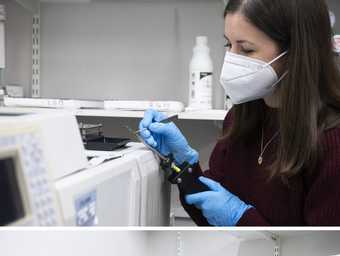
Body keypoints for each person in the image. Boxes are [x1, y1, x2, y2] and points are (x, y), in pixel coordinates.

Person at [139, 0, 340, 226]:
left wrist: (242, 218)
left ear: (295, 52)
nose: (231, 60)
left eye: (246, 49)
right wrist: (185, 167)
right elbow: (211, 216)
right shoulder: (240, 118)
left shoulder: (332, 141)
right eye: (228, 45)